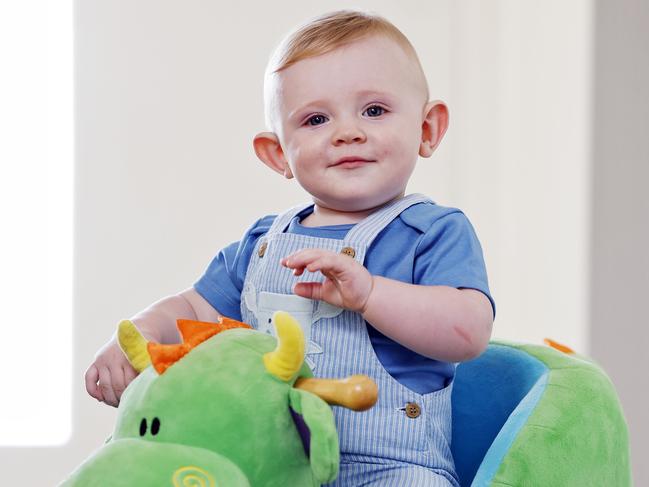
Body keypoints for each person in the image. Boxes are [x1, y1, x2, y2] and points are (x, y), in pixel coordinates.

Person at [86, 10, 495, 486]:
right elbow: (190, 307)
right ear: (278, 153)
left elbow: (468, 332)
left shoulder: (430, 231)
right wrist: (137, 333)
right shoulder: (262, 244)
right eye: (317, 119)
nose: (348, 132)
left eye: (375, 110)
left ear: (427, 129)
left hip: (389, 469)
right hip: (273, 465)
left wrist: (370, 296)